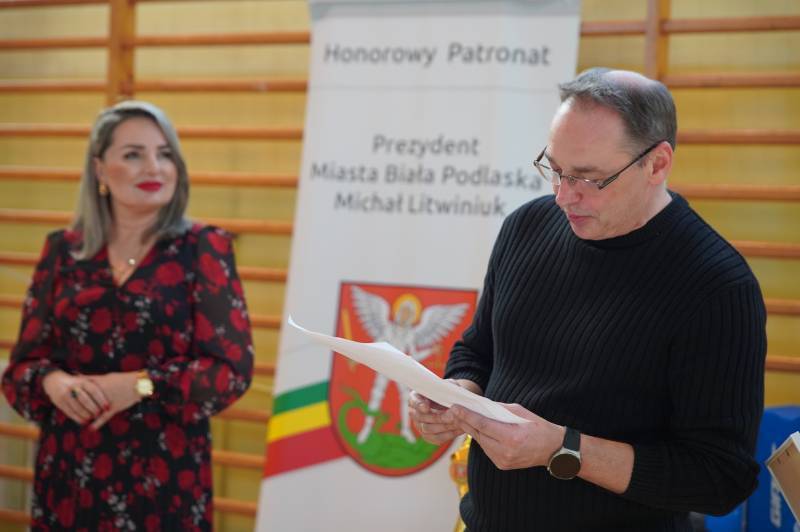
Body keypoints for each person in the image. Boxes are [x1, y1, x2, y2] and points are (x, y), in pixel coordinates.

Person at [409, 68, 766, 531]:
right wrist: (460, 392)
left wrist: (562, 448)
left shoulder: (716, 287)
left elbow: (720, 478)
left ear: (657, 164)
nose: (563, 196)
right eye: (555, 169)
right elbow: (479, 349)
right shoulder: (526, 227)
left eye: (588, 178)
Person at [1, 100, 254, 531]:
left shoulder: (203, 248)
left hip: (166, 481)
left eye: (165, 154)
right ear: (100, 170)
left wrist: (140, 385)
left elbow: (229, 372)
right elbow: (21, 369)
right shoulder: (62, 250)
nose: (154, 167)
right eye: (134, 154)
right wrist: (52, 382)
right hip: (69, 477)